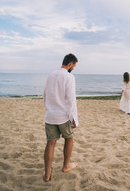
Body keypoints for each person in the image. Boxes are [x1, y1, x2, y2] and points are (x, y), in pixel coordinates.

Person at [42, 53, 79, 182]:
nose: (73, 69)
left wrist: (48, 109)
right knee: (69, 138)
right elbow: (71, 100)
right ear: (70, 64)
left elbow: (45, 94)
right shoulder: (69, 77)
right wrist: (74, 118)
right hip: (63, 116)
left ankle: (47, 174)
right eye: (73, 66)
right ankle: (66, 166)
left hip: (50, 115)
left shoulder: (51, 74)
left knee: (50, 143)